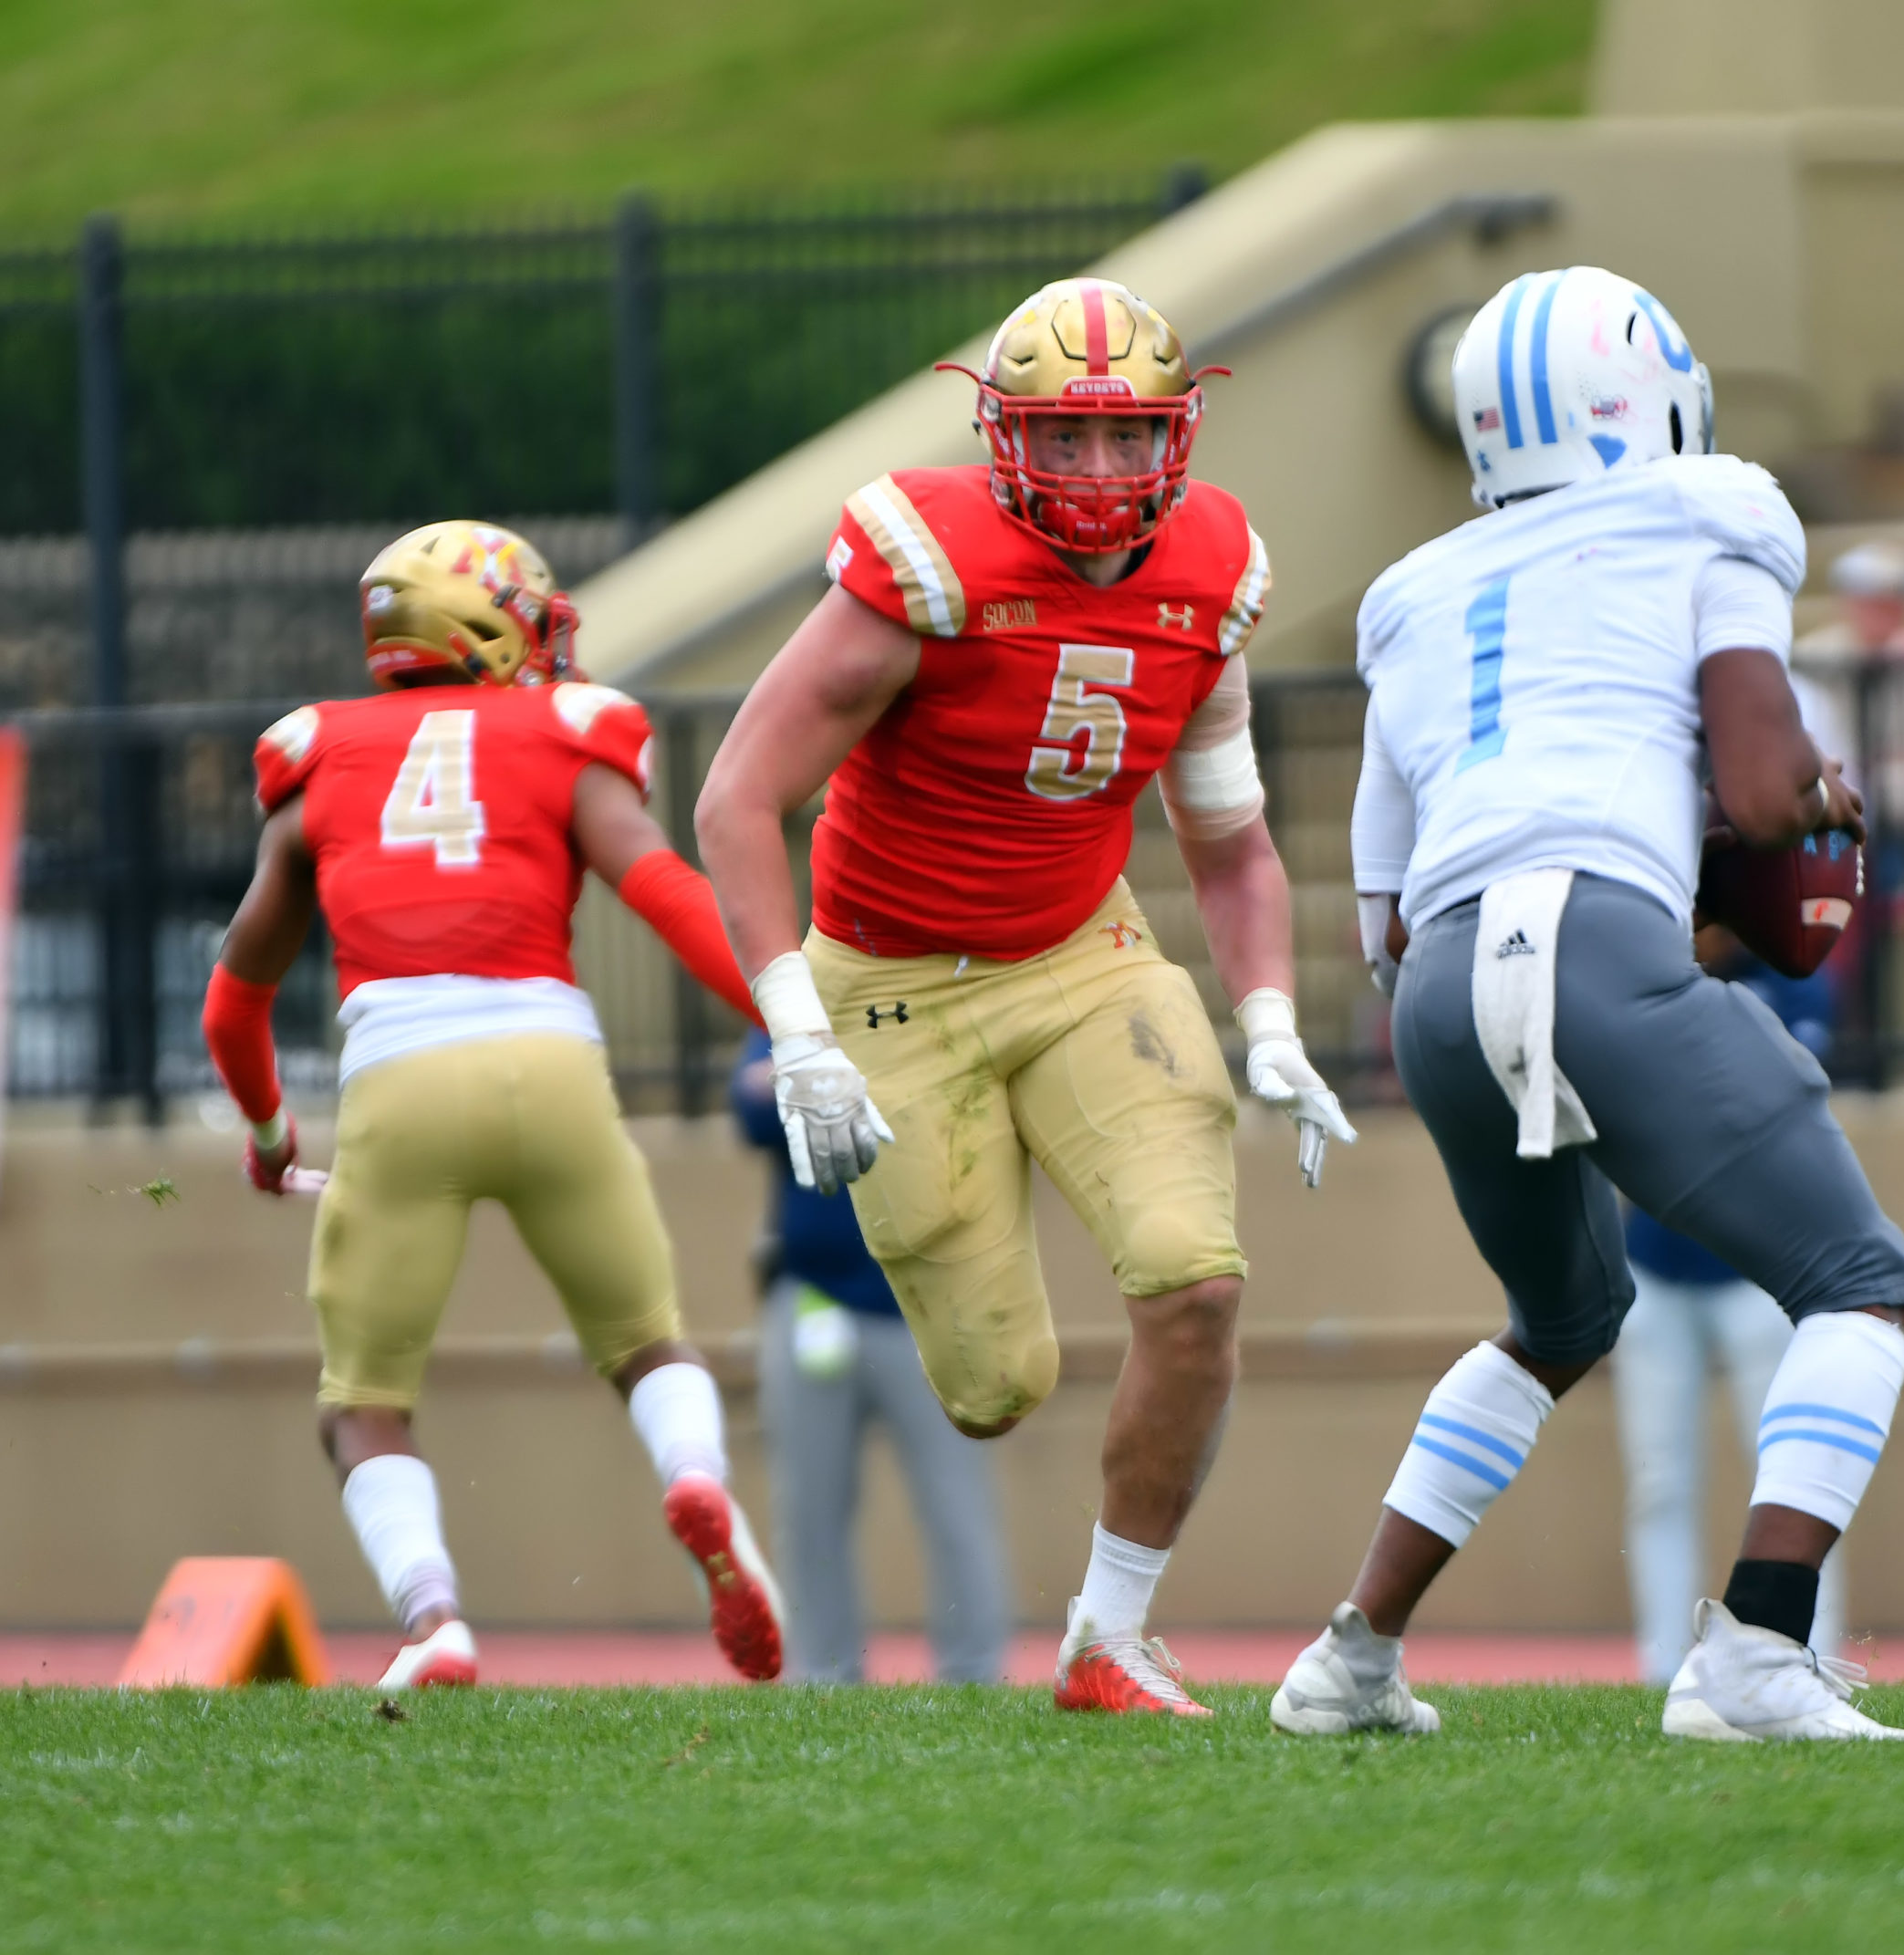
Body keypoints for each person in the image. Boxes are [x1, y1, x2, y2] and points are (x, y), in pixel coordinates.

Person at [1270, 265, 1904, 1744]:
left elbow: (1382, 909)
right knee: (1863, 1286)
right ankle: (1758, 1650)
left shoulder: (1410, 592)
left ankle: (1351, 1655)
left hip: (1439, 982)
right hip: (1590, 938)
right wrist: (1818, 796)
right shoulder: (1719, 506)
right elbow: (1763, 790)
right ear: (1659, 396)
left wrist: (1643, 930)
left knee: (1561, 1313)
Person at [693, 278, 1353, 1721]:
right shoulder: (924, 561)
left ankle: (1108, 1634)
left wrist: (1270, 1021)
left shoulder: (1216, 565)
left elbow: (1230, 837)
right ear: (1003, 434)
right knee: (997, 1385)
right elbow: (739, 797)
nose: (1105, 475)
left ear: (1181, 437)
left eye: (1131, 441)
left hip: (1080, 950)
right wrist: (797, 1033)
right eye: (1066, 436)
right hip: (890, 983)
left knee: (1198, 1279)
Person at [200, 521, 785, 1690]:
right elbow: (669, 895)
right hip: (549, 1061)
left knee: (363, 1402)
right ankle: (696, 1479)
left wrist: (269, 1134)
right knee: (644, 1341)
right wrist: (791, 1017)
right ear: (493, 628)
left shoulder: (319, 765)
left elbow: (232, 1004)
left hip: (399, 1088)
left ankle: (434, 1620)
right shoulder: (560, 736)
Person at [731, 1028, 1011, 1685]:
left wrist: (830, 1081)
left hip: (929, 1305)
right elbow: (749, 1106)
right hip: (813, 1299)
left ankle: (975, 1677)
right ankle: (822, 1679)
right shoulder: (797, 1008)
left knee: (959, 1505)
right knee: (810, 1510)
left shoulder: (939, 1003)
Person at [1614, 932, 1843, 1688]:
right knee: (1659, 1479)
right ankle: (1659, 1667)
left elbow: (1765, 1111)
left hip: (1760, 1272)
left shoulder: (1792, 984)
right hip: (1656, 1267)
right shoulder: (1639, 978)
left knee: (1791, 1477)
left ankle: (1806, 1657)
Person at [1790, 540, 1904, 892]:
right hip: (1808, 821)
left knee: (1877, 889)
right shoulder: (1807, 661)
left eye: (1893, 600)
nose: (1881, 611)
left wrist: (1867, 789)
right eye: (1869, 599)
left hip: (1886, 829)